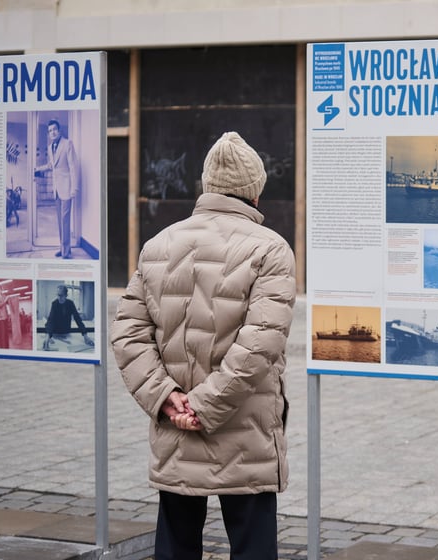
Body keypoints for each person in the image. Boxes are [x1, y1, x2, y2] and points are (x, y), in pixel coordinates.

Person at [111, 131, 296, 560]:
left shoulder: (158, 244)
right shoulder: (271, 250)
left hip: (175, 428)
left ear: (207, 184)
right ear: (255, 189)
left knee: (175, 545)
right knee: (252, 546)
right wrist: (205, 406)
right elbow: (260, 345)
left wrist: (167, 398)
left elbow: (127, 333)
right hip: (243, 432)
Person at [35, 119, 79, 259]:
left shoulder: (68, 144)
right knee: (60, 222)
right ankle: (63, 248)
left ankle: (66, 253)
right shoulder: (50, 147)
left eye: (54, 129)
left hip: (66, 188)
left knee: (65, 221)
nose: (52, 132)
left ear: (59, 130)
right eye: (49, 131)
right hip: (56, 190)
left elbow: (73, 167)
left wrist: (74, 188)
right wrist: (38, 168)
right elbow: (51, 165)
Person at [42, 284, 93, 350]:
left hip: (66, 332)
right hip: (55, 332)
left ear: (66, 295)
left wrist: (85, 336)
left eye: (61, 295)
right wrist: (48, 336)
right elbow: (51, 320)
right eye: (58, 295)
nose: (59, 297)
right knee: (47, 323)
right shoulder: (54, 303)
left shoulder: (70, 304)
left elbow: (78, 319)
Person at [0, 284, 12, 349]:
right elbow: (0, 305)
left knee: (6, 334)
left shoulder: (4, 296)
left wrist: (10, 299)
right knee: (2, 334)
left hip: (6, 316)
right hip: (1, 318)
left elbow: (7, 303)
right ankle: (2, 348)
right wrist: (5, 300)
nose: (0, 290)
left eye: (1, 289)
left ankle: (7, 347)